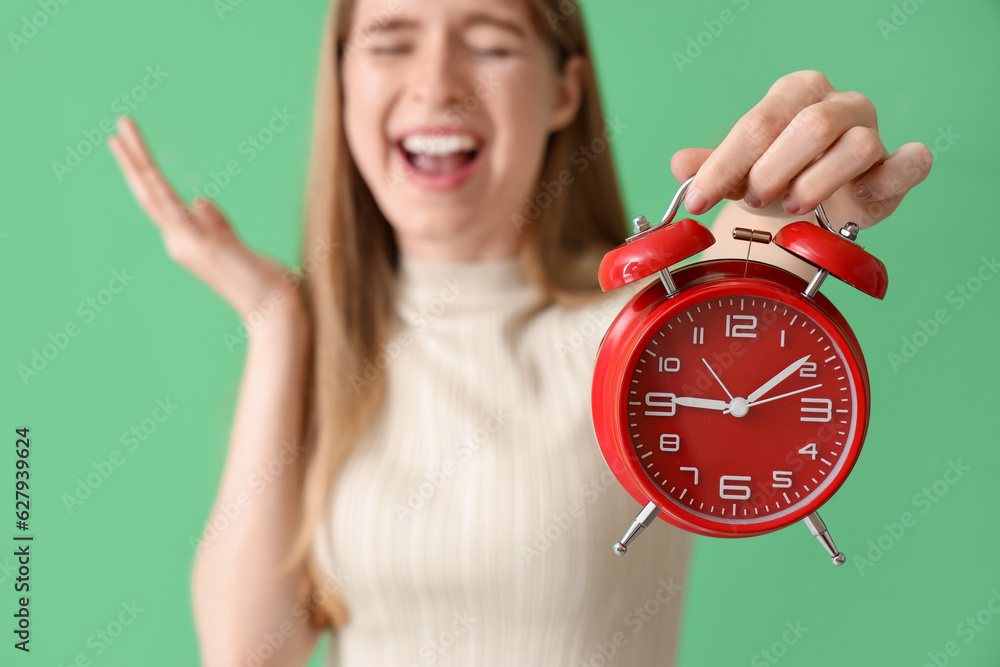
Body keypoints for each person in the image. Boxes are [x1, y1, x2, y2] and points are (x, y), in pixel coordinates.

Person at [107, 0, 933, 664]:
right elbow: (247, 653)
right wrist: (275, 320)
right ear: (342, 81)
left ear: (565, 89)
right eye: (391, 41)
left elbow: (762, 258)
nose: (436, 85)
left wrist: (814, 186)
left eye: (492, 44)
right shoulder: (324, 353)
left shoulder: (651, 335)